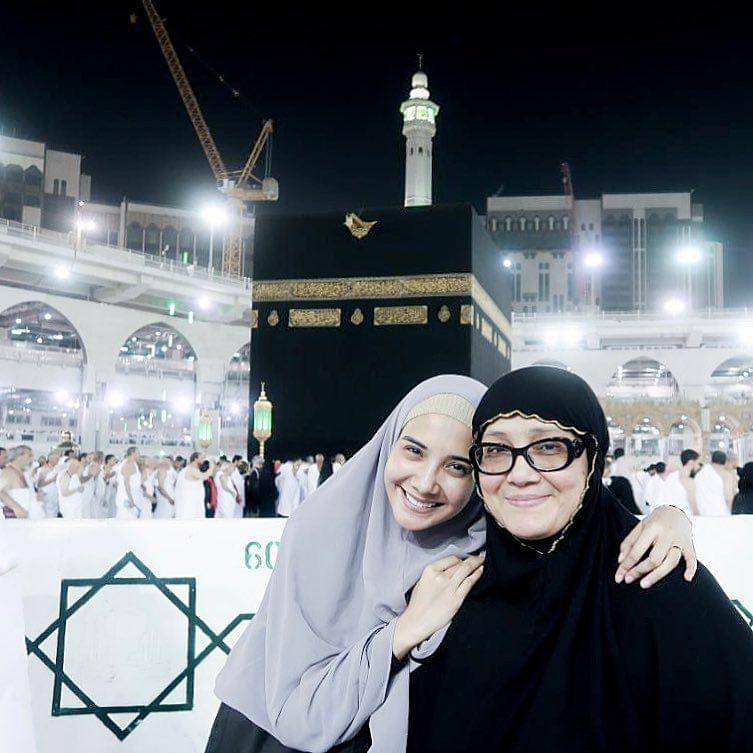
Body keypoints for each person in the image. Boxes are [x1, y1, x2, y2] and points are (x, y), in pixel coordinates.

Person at [208, 375, 696, 753]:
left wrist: (667, 517)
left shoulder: (487, 544)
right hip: (271, 739)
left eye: (457, 466)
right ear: (389, 444)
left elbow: (577, 516)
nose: (425, 483)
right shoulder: (322, 532)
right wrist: (402, 633)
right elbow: (297, 713)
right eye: (413, 451)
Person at [406, 366, 753, 753]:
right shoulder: (451, 589)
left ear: (592, 459)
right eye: (497, 451)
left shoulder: (660, 587)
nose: (519, 474)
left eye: (548, 447)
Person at [0, 446, 44, 519]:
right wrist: (16, 508)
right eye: (29, 456)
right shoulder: (7, 472)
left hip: (31, 519)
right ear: (18, 457)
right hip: (15, 521)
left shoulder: (25, 474)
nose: (32, 459)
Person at [175, 452, 210, 519]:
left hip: (194, 504)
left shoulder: (192, 469)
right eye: (202, 458)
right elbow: (205, 476)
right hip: (189, 505)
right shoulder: (191, 469)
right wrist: (212, 466)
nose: (203, 460)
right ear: (196, 459)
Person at [694, 450, 730, 516]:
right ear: (725, 461)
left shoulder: (700, 473)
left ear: (712, 460)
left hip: (702, 512)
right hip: (720, 512)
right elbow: (728, 497)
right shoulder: (726, 475)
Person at [115, 447, 141, 519]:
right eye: (138, 452)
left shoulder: (134, 463)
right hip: (127, 497)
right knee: (126, 518)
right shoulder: (128, 464)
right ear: (133, 453)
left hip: (134, 495)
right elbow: (126, 484)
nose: (139, 454)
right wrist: (131, 500)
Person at [56, 454, 84, 519]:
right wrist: (77, 489)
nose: (78, 468)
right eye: (77, 467)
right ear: (71, 466)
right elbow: (64, 493)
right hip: (68, 510)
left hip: (76, 508)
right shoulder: (65, 475)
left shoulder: (74, 475)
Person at [36, 451, 60, 518]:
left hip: (55, 497)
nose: (58, 460)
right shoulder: (44, 469)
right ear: (51, 459)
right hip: (46, 497)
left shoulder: (56, 468)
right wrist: (52, 480)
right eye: (56, 459)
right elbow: (39, 484)